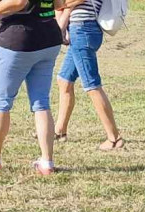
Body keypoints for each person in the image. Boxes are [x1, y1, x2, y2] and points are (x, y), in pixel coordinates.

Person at [0, 0, 65, 175]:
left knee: (1, 102)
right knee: (41, 102)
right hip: (49, 38)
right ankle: (46, 162)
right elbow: (59, 3)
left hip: (19, 40)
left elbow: (19, 1)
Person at [53, 0, 125, 151]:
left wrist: (62, 7)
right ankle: (60, 131)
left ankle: (114, 138)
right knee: (64, 80)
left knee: (92, 85)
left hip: (82, 28)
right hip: (83, 28)